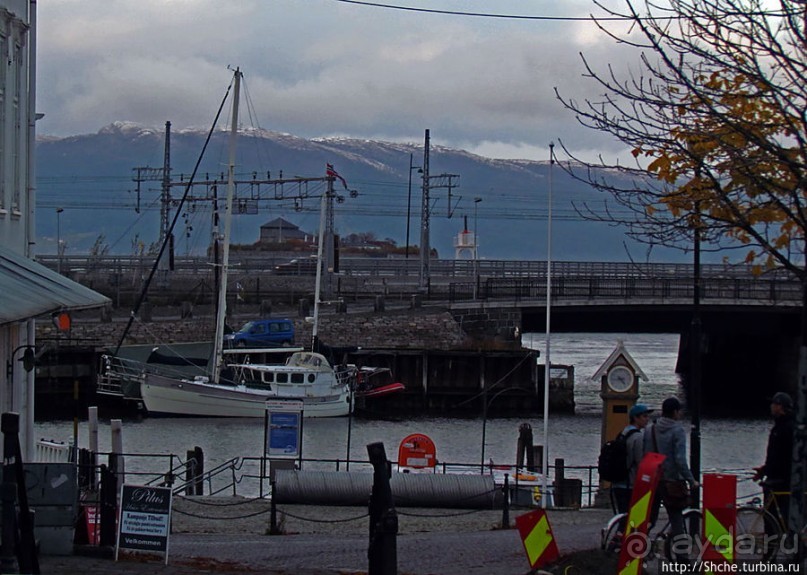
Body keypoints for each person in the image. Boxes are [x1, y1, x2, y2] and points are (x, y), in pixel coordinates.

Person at [645, 396, 699, 562]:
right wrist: (692, 480)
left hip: (653, 480)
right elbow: (680, 460)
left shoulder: (650, 428)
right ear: (675, 412)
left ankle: (636, 550)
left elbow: (646, 455)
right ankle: (682, 558)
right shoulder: (678, 431)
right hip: (671, 482)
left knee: (649, 519)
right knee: (677, 520)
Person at [753, 391, 795, 531]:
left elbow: (780, 457)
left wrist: (767, 470)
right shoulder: (783, 427)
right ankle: (781, 546)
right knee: (778, 517)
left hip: (780, 480)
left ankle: (771, 549)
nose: (771, 406)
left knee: (773, 518)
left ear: (780, 407)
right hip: (782, 478)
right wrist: (764, 469)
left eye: (774, 404)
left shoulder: (785, 428)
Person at [611, 403, 653, 514]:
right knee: (633, 517)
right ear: (635, 418)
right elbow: (640, 461)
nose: (647, 419)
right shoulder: (638, 436)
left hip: (617, 481)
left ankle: (620, 531)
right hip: (630, 483)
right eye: (644, 416)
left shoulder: (623, 433)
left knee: (623, 516)